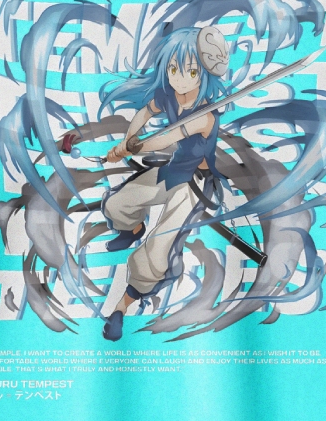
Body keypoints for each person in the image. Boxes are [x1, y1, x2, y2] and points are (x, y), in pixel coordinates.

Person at [97, 25, 230, 341]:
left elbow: (165, 138)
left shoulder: (205, 116)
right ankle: (133, 230)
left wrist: (133, 147)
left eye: (190, 71)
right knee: (117, 204)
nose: (180, 78)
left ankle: (120, 308)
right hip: (172, 171)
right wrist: (129, 137)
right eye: (173, 69)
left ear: (203, 72)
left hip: (194, 184)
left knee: (158, 252)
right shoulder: (169, 96)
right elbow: (145, 112)